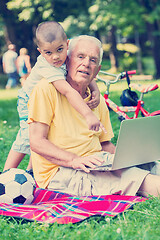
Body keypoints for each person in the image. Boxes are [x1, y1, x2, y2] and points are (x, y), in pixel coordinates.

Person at [28, 35, 160, 198]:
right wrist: (73, 160)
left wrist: (125, 157)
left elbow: (104, 144)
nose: (86, 64)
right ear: (67, 61)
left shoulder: (96, 101)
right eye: (80, 56)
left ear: (97, 71)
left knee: (151, 165)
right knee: (140, 179)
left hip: (98, 161)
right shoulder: (46, 90)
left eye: (93, 60)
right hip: (61, 172)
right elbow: (36, 141)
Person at [3, 21, 104, 173]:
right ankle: (6, 173)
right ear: (40, 52)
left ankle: (32, 170)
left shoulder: (66, 57)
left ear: (67, 44)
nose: (56, 57)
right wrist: (88, 115)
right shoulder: (47, 66)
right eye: (48, 52)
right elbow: (68, 91)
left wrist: (95, 90)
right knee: (27, 136)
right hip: (27, 100)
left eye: (59, 49)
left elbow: (88, 77)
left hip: (43, 100)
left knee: (46, 133)